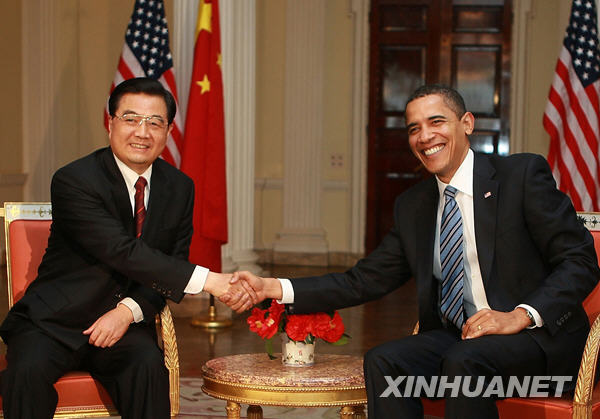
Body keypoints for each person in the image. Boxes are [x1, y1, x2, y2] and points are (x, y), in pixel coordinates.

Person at [226, 84, 600, 418]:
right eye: (414, 128)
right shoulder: (414, 206)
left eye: (436, 122)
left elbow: (580, 260)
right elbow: (363, 280)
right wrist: (272, 287)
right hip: (462, 339)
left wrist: (519, 315)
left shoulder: (521, 176)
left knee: (464, 363)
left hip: (539, 344)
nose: (425, 136)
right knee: (385, 361)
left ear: (467, 124)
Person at [0, 77, 253, 419]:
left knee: (147, 366)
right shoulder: (74, 180)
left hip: (125, 323)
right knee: (25, 374)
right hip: (53, 322)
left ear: (168, 131)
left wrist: (126, 312)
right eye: (131, 119)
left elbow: (171, 264)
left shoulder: (179, 187)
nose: (142, 132)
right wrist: (212, 281)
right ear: (110, 123)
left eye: (155, 122)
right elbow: (122, 251)